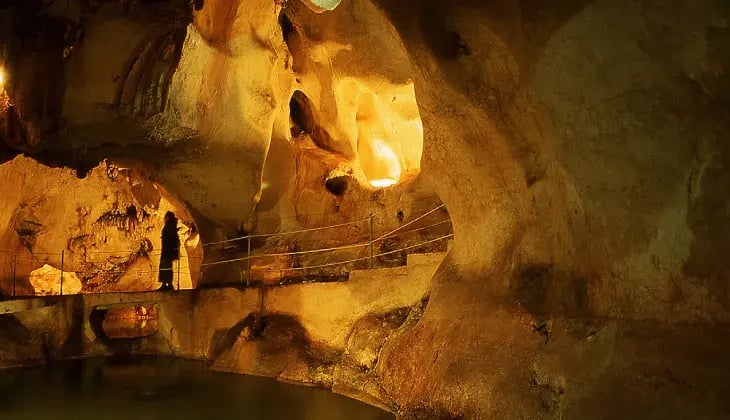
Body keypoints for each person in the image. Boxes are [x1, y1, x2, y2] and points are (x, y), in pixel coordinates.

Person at [158, 211, 180, 291]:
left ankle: (167, 284)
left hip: (167, 251)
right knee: (165, 267)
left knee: (165, 267)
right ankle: (166, 284)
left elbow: (173, 238)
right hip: (167, 250)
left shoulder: (170, 226)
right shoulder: (170, 226)